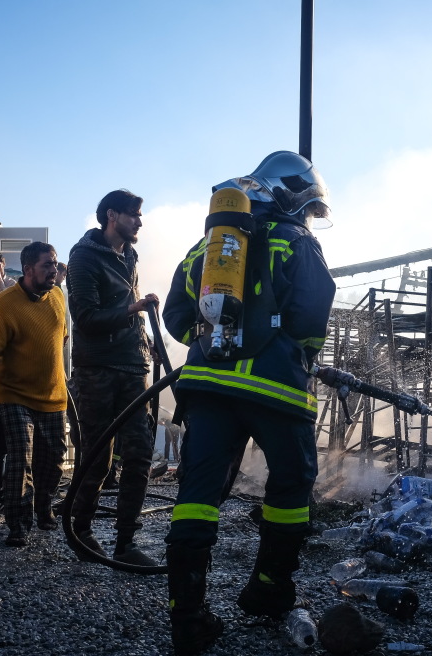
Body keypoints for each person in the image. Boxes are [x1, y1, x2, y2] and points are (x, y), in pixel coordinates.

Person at [161, 152, 336, 654]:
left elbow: (175, 319)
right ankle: (268, 590)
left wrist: (216, 335)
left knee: (197, 494)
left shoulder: (210, 248)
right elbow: (308, 319)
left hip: (209, 388)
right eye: (307, 207)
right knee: (290, 488)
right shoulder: (297, 242)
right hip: (276, 389)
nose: (307, 218)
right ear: (292, 197)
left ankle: (187, 617)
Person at [66, 189, 159, 566]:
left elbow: (127, 305)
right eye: (133, 215)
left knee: (138, 454)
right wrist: (133, 307)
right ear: (111, 215)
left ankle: (126, 543)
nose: (139, 221)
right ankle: (82, 531)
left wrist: (145, 338)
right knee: (98, 456)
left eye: (140, 215)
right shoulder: (84, 258)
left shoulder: (130, 256)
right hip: (98, 369)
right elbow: (86, 318)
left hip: (133, 367)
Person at [0, 241, 67, 548]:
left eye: (54, 264)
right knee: (20, 459)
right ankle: (18, 524)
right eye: (46, 266)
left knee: (52, 460)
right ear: (28, 270)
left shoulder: (57, 297)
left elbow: (61, 337)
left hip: (53, 395)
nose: (53, 270)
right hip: (14, 395)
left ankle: (43, 507)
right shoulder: (5, 304)